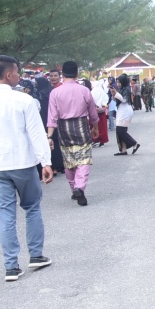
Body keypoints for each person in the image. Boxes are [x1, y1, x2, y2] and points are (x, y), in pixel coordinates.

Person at [0, 55, 53, 282]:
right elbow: (36, 133)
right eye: (17, 72)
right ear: (8, 74)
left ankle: (11, 267)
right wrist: (45, 162)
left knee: (6, 216)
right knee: (32, 208)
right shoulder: (24, 101)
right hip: (23, 164)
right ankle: (36, 255)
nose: (19, 76)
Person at [46, 61, 98, 206]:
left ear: (62, 74)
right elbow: (92, 113)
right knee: (84, 159)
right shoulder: (84, 90)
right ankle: (79, 187)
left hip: (64, 129)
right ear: (76, 74)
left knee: (69, 161)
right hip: (81, 126)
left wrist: (49, 136)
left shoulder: (55, 92)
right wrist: (95, 126)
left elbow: (52, 117)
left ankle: (73, 188)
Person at [113, 74, 140, 156]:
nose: (118, 84)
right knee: (120, 131)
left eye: (119, 82)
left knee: (120, 131)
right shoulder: (121, 89)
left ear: (123, 82)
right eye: (117, 82)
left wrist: (116, 94)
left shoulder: (127, 89)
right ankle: (123, 150)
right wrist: (113, 94)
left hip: (125, 111)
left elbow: (124, 100)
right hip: (121, 111)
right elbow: (116, 99)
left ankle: (134, 143)